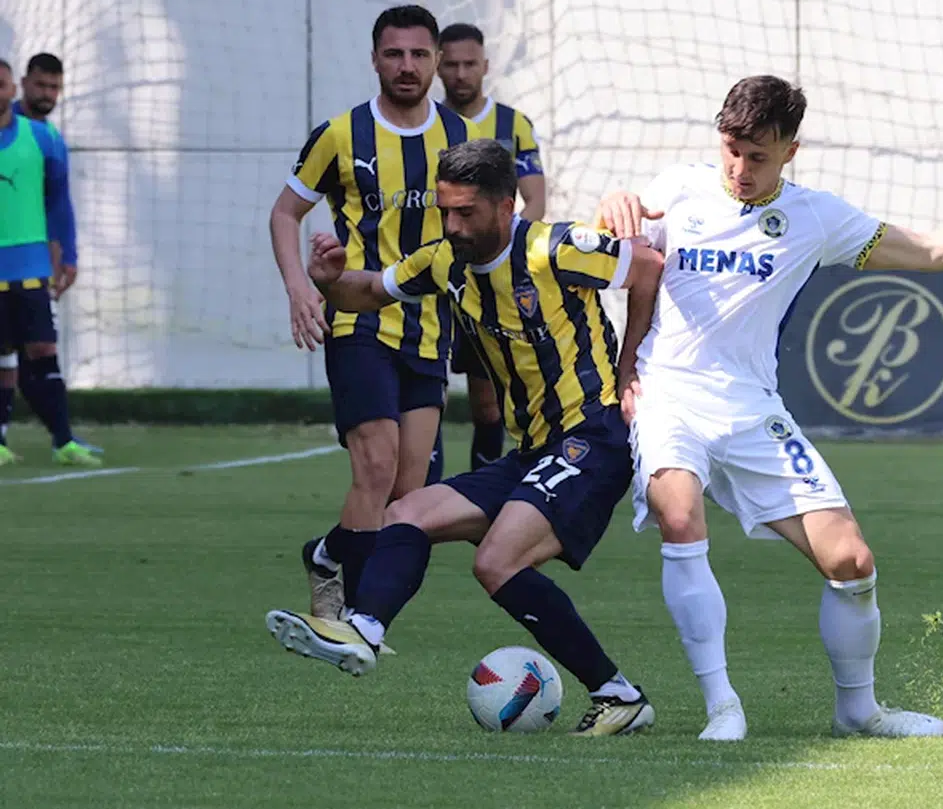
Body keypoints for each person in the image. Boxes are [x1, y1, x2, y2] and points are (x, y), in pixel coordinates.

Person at [597, 74, 943, 741]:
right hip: (668, 394)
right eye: (731, 150)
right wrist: (613, 205)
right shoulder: (678, 188)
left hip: (751, 408)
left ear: (791, 152)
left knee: (851, 561)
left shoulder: (816, 218)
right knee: (679, 515)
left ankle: (859, 711)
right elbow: (623, 246)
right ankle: (723, 706)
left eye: (758, 156)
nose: (740, 168)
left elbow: (933, 253)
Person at [265, 139, 666, 736]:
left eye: (465, 213)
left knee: (496, 561)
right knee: (406, 513)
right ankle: (363, 631)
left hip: (593, 437)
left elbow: (648, 265)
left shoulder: (556, 248)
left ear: (506, 206)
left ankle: (619, 695)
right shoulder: (444, 261)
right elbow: (367, 292)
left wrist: (631, 364)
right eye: (445, 211)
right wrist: (330, 279)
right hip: (534, 451)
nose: (452, 226)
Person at [267, 5, 474, 625]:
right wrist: (300, 288)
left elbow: (486, 227)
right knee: (376, 465)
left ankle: (327, 556)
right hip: (356, 321)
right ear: (375, 60)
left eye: (418, 54)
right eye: (394, 54)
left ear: (436, 60)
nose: (406, 66)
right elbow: (285, 212)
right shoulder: (341, 135)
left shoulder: (462, 138)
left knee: (409, 496)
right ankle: (356, 623)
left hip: (430, 330)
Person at [437, 22, 547, 474]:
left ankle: (483, 492)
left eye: (470, 64)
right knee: (427, 395)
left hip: (487, 278)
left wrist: (506, 256)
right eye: (452, 65)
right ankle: (420, 493)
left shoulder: (512, 125)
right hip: (434, 276)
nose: (461, 74)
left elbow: (535, 199)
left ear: (485, 66)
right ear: (438, 66)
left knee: (487, 405)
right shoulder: (426, 123)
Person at [0, 57, 99, 467]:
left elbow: (59, 203)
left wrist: (66, 254)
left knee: (40, 348)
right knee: (7, 355)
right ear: (23, 85)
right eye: (41, 86)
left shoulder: (45, 138)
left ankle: (63, 439)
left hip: (30, 266)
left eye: (54, 87)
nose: (48, 95)